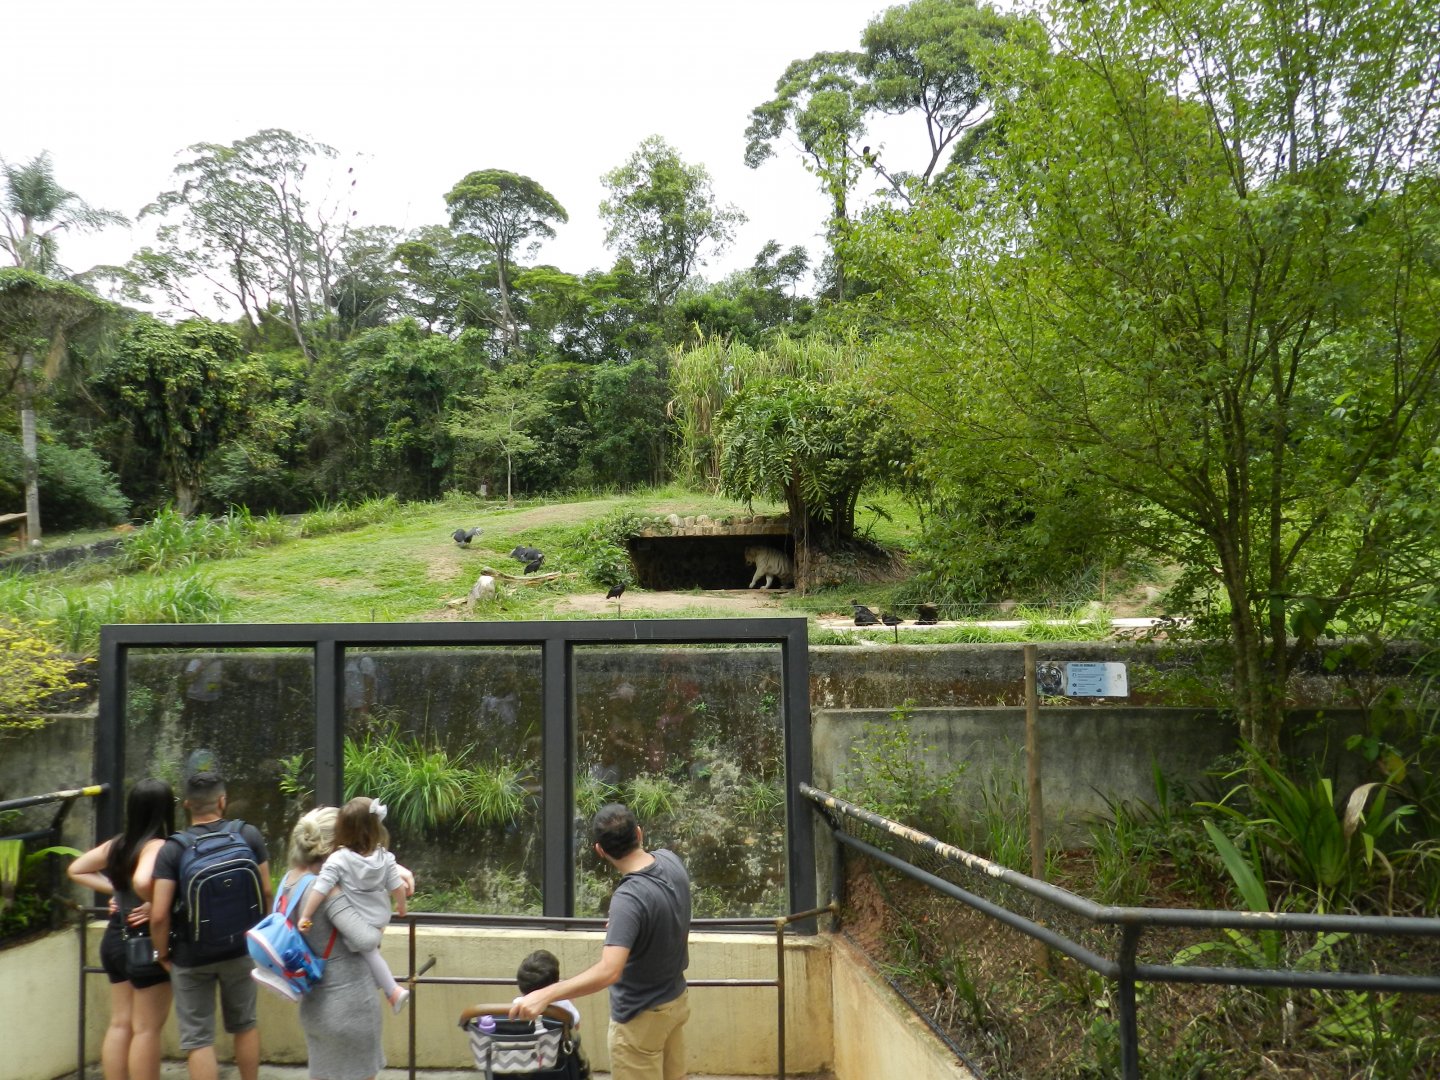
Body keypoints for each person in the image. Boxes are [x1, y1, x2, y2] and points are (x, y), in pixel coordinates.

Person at [511, 803, 691, 1080]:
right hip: (676, 1002)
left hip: (640, 1020)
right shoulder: (671, 860)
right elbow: (670, 910)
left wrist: (546, 993)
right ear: (639, 834)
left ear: (600, 851)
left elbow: (609, 970)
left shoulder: (629, 898)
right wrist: (629, 928)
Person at [148, 770, 272, 1080]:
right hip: (242, 948)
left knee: (199, 1039)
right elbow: (267, 892)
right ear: (222, 800)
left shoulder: (173, 849)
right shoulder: (248, 835)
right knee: (245, 1024)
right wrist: (260, 937)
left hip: (192, 955)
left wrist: (162, 954)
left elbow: (160, 914)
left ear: (187, 804)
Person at [67, 778, 176, 1080]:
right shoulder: (157, 846)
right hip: (143, 943)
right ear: (165, 809)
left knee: (120, 1023)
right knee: (147, 1029)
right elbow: (143, 880)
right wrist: (154, 901)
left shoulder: (118, 843)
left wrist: (114, 892)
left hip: (114, 938)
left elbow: (76, 869)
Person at [282, 806, 401, 1080]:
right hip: (350, 1006)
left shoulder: (291, 882)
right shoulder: (328, 891)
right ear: (336, 845)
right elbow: (367, 939)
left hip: (314, 1005)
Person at [295, 795, 410, 1013]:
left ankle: (393, 990)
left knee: (367, 951)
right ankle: (383, 985)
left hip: (361, 919)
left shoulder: (339, 859)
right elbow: (398, 888)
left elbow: (321, 888)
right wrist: (402, 907)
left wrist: (306, 915)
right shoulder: (385, 858)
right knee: (372, 950)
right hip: (380, 916)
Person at [515, 949, 581, 1028]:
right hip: (555, 1040)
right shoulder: (563, 1005)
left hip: (525, 1040)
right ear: (555, 984)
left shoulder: (516, 1004)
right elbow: (576, 1026)